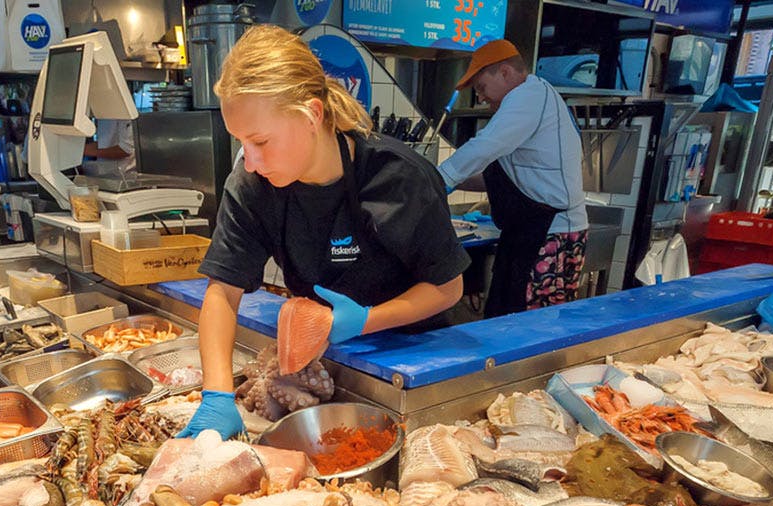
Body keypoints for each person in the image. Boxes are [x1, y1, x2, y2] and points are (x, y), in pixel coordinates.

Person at [178, 25, 470, 439]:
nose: (251, 160)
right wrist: (217, 396)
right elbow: (222, 292)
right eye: (242, 141)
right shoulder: (251, 186)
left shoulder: (398, 176)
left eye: (261, 140)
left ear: (313, 114)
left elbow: (448, 287)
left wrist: (367, 320)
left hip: (419, 363)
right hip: (329, 366)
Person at [437, 40, 588, 318]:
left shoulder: (529, 95)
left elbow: (484, 146)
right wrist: (442, 179)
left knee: (529, 329)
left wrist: (436, 180)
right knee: (505, 318)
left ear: (505, 72)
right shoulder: (529, 104)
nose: (481, 98)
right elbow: (497, 178)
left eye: (481, 87)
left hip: (550, 236)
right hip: (531, 232)